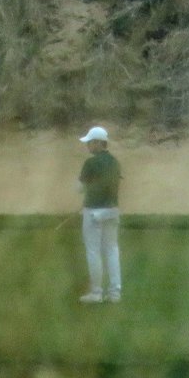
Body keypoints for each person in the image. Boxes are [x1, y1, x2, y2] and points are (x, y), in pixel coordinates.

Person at [77, 125, 120, 304]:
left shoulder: (90, 163)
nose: (87, 146)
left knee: (93, 251)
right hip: (112, 211)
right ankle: (115, 293)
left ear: (97, 143)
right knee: (112, 250)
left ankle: (96, 293)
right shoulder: (114, 162)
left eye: (89, 142)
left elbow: (79, 188)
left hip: (93, 212)